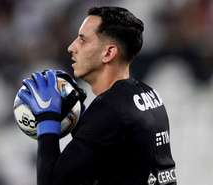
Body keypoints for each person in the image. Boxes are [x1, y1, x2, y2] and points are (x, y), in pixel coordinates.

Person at [18, 6, 176, 185]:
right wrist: (79, 122)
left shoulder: (109, 109)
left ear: (108, 53)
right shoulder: (150, 94)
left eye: (82, 40)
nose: (71, 47)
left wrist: (47, 120)